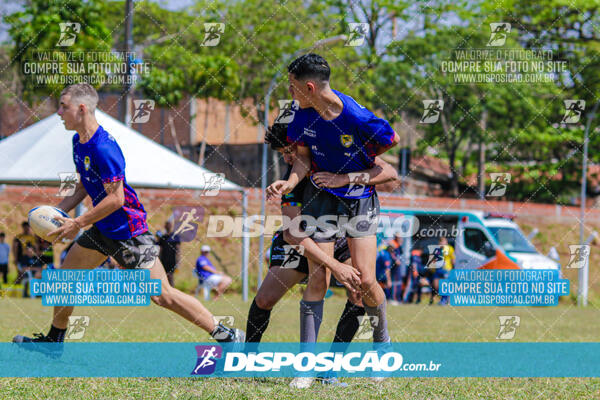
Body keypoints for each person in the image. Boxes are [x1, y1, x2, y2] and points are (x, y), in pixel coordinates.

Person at [13, 83, 244, 358]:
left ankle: (227, 335)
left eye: (64, 106)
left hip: (128, 232)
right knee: (66, 278)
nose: (59, 112)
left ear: (82, 108)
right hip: (102, 228)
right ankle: (54, 342)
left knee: (162, 295)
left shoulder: (103, 148)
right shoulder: (78, 142)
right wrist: (57, 215)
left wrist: (77, 223)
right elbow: (83, 187)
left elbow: (117, 199)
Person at [267, 53, 399, 386]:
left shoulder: (357, 117)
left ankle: (382, 347)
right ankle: (306, 366)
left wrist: (348, 177)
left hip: (358, 200)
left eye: (293, 86)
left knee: (365, 280)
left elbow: (390, 150)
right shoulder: (301, 116)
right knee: (319, 278)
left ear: (309, 87)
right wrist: (291, 182)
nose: (291, 92)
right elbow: (302, 160)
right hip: (321, 197)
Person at [156, 220, 181, 286]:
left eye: (169, 225)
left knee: (170, 276)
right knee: (164, 276)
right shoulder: (163, 237)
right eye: (167, 225)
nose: (168, 227)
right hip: (164, 260)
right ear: (165, 226)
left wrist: (178, 261)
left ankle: (172, 290)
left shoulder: (175, 237)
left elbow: (178, 250)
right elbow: (159, 249)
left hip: (172, 260)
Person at [435, 237, 455, 305]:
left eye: (444, 242)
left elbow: (453, 260)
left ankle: (445, 300)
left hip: (447, 269)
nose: (442, 243)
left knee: (445, 285)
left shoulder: (450, 249)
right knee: (437, 285)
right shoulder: (437, 250)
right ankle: (444, 299)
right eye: (441, 242)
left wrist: (452, 269)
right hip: (439, 270)